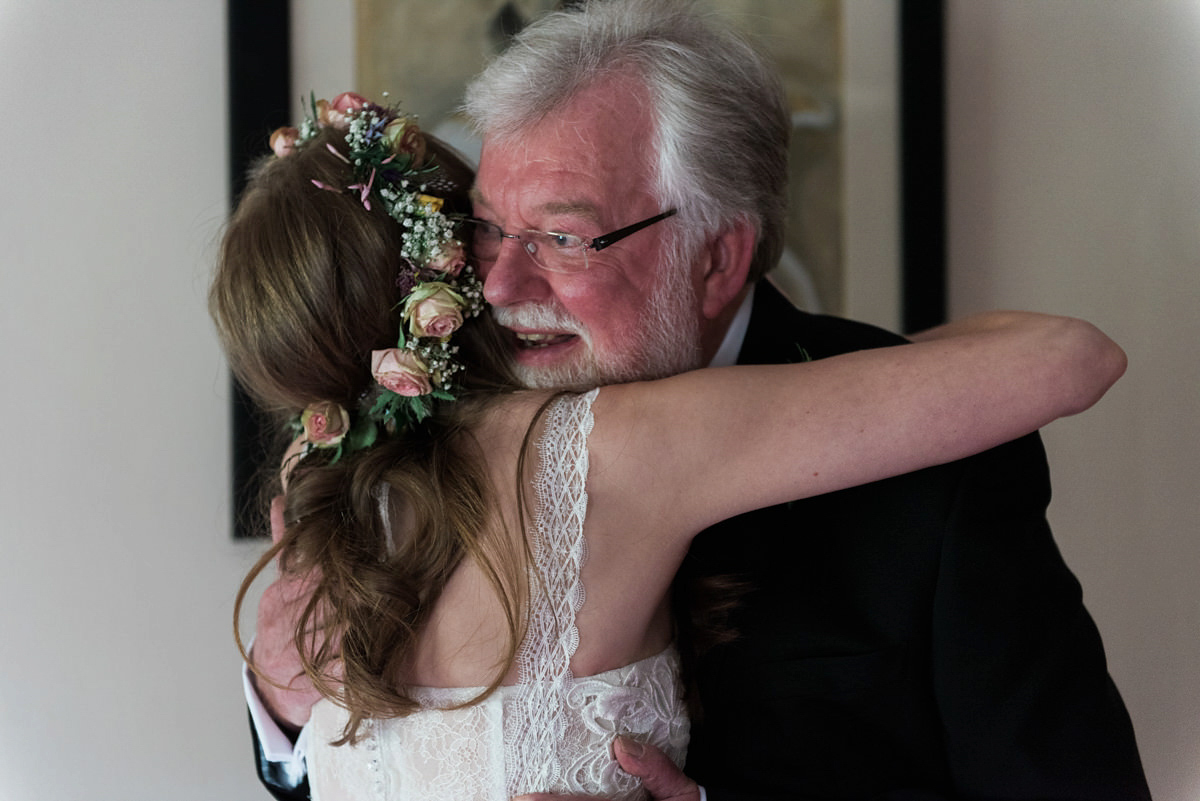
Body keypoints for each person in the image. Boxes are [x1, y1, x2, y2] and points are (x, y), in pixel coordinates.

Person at [241, 1, 1150, 799]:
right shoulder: (413, 418)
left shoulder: (944, 458)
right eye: (484, 227)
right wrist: (285, 712)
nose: (503, 283)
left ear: (718, 256)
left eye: (564, 236)